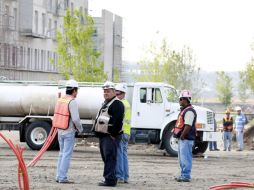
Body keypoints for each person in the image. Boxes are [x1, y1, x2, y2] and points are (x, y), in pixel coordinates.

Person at [93, 81, 125, 187]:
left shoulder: (117, 104)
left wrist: (113, 134)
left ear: (113, 92)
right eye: (104, 91)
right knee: (106, 157)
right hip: (104, 135)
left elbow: (118, 121)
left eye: (108, 91)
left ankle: (110, 180)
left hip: (110, 136)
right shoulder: (106, 103)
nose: (106, 93)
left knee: (110, 157)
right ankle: (110, 177)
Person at [55, 79, 83, 183]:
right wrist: (80, 129)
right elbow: (75, 119)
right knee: (66, 154)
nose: (77, 92)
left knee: (62, 154)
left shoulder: (61, 99)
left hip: (60, 130)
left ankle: (58, 176)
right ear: (74, 90)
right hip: (69, 131)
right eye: (77, 90)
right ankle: (62, 177)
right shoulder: (72, 101)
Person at [173, 90, 197, 182]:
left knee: (185, 158)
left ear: (185, 100)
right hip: (183, 139)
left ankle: (186, 176)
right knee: (182, 158)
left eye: (181, 99)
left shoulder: (189, 111)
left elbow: (188, 126)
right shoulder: (185, 110)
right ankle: (183, 175)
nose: (179, 101)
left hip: (186, 139)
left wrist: (182, 136)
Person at [115, 83, 132, 184]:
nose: (116, 95)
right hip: (127, 132)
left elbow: (119, 120)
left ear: (123, 93)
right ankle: (125, 176)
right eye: (116, 93)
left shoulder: (121, 104)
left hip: (121, 132)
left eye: (118, 93)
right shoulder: (127, 103)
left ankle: (120, 176)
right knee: (124, 154)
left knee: (119, 155)